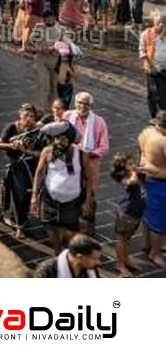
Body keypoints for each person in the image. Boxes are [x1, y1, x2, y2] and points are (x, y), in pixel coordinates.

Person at [32, 121, 92, 252]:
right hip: (50, 200)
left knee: (71, 231)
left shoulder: (82, 155)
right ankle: (58, 252)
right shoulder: (47, 152)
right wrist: (34, 196)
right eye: (57, 138)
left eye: (63, 139)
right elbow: (40, 173)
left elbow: (88, 179)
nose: (60, 142)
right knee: (52, 227)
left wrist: (87, 201)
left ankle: (70, 252)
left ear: (70, 140)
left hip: (72, 201)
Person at [0, 104, 44, 239]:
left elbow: (41, 153)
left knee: (23, 197)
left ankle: (21, 223)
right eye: (25, 115)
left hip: (28, 168)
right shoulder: (12, 127)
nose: (28, 118)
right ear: (20, 115)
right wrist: (12, 145)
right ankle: (14, 220)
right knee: (12, 194)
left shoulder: (38, 132)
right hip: (13, 166)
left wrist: (25, 150)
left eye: (31, 116)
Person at [66, 92, 108, 236]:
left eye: (86, 104)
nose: (82, 106)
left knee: (90, 194)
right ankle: (72, 221)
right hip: (70, 162)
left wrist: (88, 153)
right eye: (80, 103)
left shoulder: (99, 122)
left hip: (90, 163)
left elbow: (104, 147)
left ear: (91, 106)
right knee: (71, 193)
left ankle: (90, 223)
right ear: (75, 103)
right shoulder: (67, 117)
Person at [138, 112, 166, 271]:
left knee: (149, 213)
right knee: (159, 220)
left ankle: (147, 244)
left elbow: (141, 153)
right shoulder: (163, 141)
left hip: (147, 177)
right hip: (161, 183)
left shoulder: (146, 132)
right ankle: (155, 253)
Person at [109, 153, 145, 277]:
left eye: (133, 162)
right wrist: (136, 171)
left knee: (127, 239)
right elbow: (133, 181)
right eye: (130, 164)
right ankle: (120, 264)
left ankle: (126, 259)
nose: (134, 165)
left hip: (135, 212)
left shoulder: (133, 174)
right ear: (122, 169)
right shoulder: (126, 178)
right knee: (122, 239)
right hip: (126, 213)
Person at [32, 233, 102, 278]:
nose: (98, 262)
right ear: (79, 257)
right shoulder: (47, 271)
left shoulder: (90, 268)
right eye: (94, 259)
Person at [141, 12, 166, 119]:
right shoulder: (146, 34)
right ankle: (154, 117)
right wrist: (151, 67)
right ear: (154, 23)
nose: (162, 25)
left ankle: (163, 117)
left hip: (165, 69)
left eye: (164, 23)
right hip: (153, 70)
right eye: (159, 22)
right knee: (153, 94)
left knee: (163, 95)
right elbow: (142, 52)